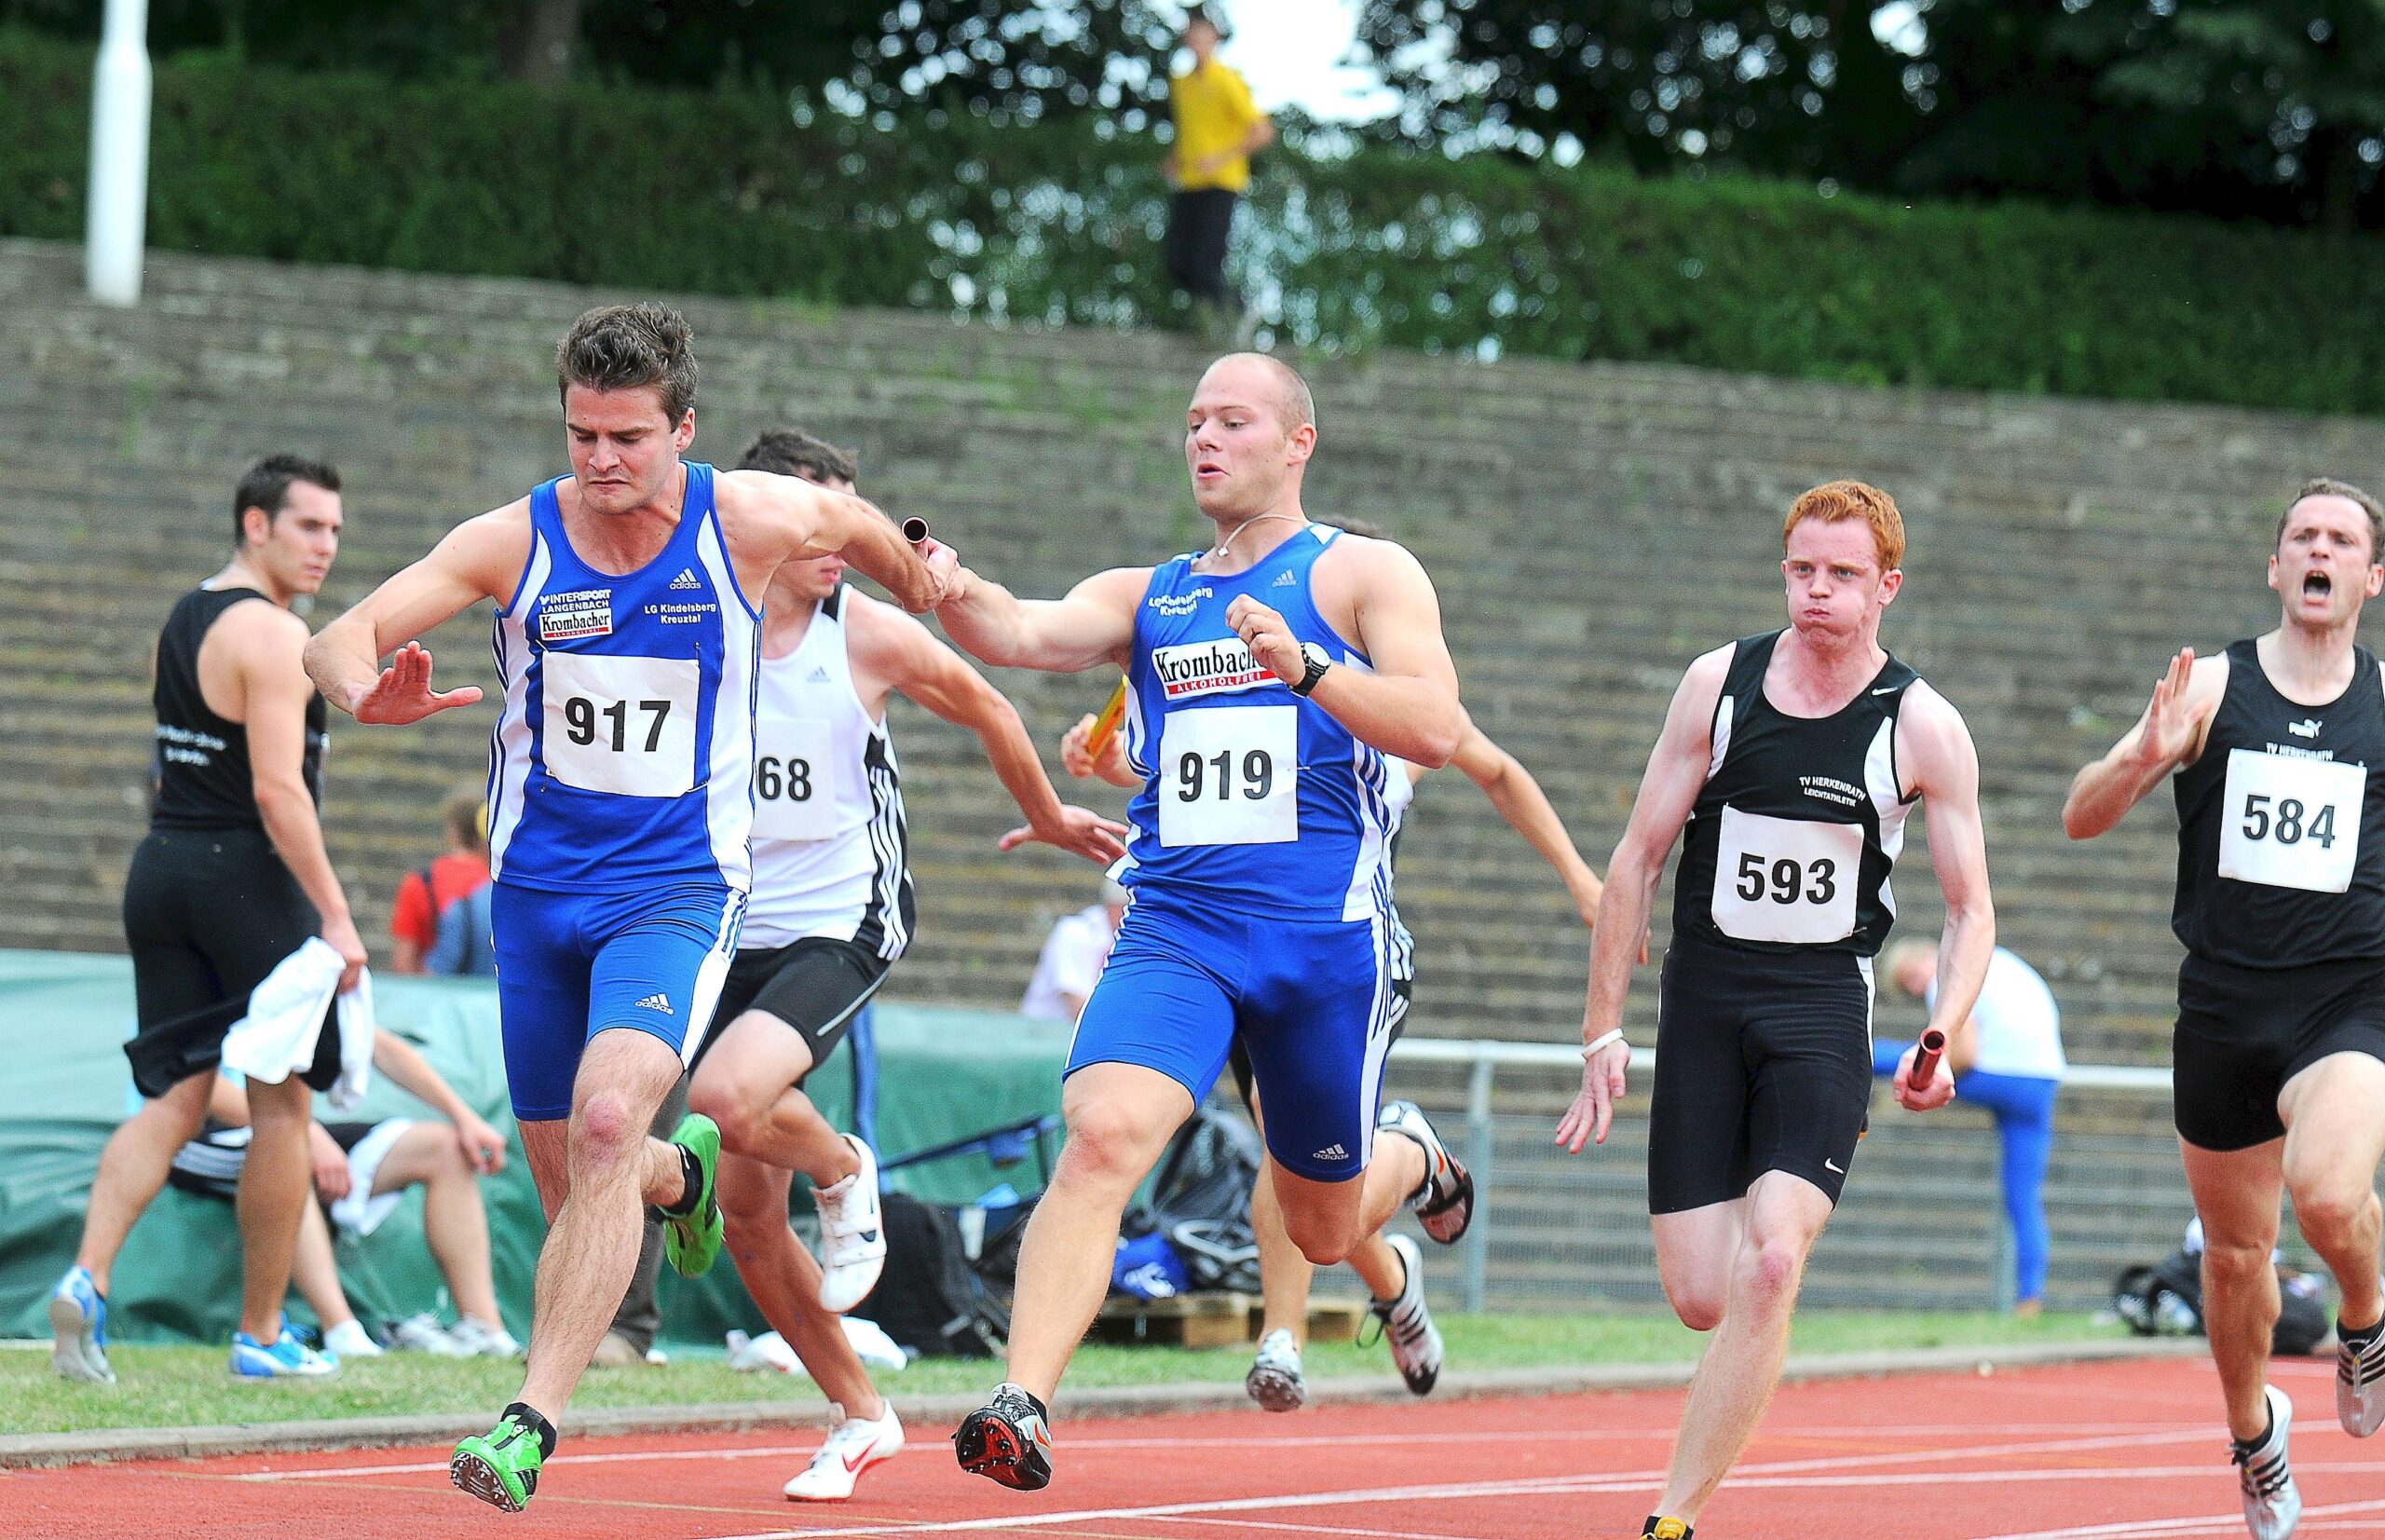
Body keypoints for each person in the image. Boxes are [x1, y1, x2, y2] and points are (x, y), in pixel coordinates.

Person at [300, 303, 954, 1512]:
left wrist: (924, 577)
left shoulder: (744, 519)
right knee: (577, 1182)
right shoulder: (514, 540)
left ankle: (527, 1421)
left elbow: (857, 525)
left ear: (682, 430)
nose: (601, 462)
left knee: (605, 1124)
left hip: (677, 889)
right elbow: (340, 634)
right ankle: (682, 1180)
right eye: (581, 434)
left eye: (628, 439)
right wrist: (358, 692)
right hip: (538, 902)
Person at [934, 352, 1474, 1492]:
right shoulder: (1153, 594)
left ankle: (1412, 1154)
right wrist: (940, 576)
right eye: (1192, 422)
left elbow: (1433, 725)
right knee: (1101, 1136)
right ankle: (1021, 1403)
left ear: (1298, 442)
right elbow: (1021, 630)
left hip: (1323, 947)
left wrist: (1314, 670)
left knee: (1320, 1230)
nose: (1205, 440)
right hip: (1178, 927)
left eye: (1233, 420)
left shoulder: (1363, 575)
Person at [672, 425, 1123, 1501]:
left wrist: (1050, 813)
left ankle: (842, 1166)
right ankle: (862, 1415)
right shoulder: (703, 625)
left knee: (727, 1096)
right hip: (727, 921)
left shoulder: (862, 633)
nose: (839, 536)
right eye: (817, 514)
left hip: (846, 918)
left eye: (850, 511)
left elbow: (988, 703)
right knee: (742, 1213)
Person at [1560, 480, 1992, 1540]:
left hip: (1817, 1007)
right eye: (1802, 569)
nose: (1817, 591)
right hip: (1703, 999)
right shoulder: (1719, 684)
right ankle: (1735, 1360)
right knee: (1703, 1295)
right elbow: (1635, 859)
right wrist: (1601, 1029)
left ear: (1886, 585)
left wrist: (1941, 1029)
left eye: (1842, 574)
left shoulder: (1921, 725)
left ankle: (1673, 1517)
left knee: (1768, 1261)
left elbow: (1971, 909)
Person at [1059, 618, 1607, 1410]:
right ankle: (1393, 1281)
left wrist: (1581, 878)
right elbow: (1202, 791)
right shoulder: (1234, 694)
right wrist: (1113, 763)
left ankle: (1287, 1329)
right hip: (1221, 954)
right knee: (1315, 1193)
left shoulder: (1386, 715)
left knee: (1294, 1170)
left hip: (1334, 964)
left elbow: (1497, 770)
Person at [2063, 478, 2385, 1540]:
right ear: (2275, 564)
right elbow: (2080, 816)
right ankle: (2253, 1436)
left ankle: (2366, 1320)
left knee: (2329, 1193)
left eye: (2340, 540)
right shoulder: (2205, 684)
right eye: (2302, 536)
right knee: (2234, 1259)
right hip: (2222, 1006)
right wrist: (2142, 757)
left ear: (2369, 578)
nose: (2318, 552)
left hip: (2347, 995)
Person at [51, 455, 363, 1384]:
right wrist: (338, 917)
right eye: (309, 527)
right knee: (282, 1104)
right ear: (255, 525)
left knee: (178, 1097)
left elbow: (171, 766)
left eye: (336, 531)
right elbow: (277, 791)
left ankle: (87, 1276)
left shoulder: (182, 618)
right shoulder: (272, 636)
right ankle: (262, 1334)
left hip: (162, 870)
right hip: (243, 875)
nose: (326, 547)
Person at [165, 1027, 515, 1360]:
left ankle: (486, 1332)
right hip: (199, 1133)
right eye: (353, 957)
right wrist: (304, 1133)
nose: (359, 959)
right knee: (286, 1157)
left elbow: (379, 1044)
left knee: (445, 1148)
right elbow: (191, 1079)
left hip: (288, 1121)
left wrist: (465, 1118)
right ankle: (343, 1332)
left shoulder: (316, 970)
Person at [1877, 936, 2065, 1315]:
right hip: (2042, 1079)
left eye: (1911, 976)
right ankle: (2031, 1299)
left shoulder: (1947, 974)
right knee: (2023, 1195)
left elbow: (1962, 1055)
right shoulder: (1996, 958)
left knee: (1883, 1055)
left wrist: (1913, 1081)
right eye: (1909, 986)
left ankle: (1843, 1051)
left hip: (2003, 1076)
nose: (1917, 987)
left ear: (1924, 956)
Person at [1161, 7, 1273, 338]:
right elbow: (1190, 132)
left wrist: (1220, 158)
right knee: (1177, 262)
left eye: (1203, 30)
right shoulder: (1180, 84)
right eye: (1192, 30)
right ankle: (1216, 321)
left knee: (1205, 265)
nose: (1195, 37)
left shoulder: (1226, 80)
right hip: (1188, 184)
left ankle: (1238, 313)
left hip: (1222, 184)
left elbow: (1262, 131)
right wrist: (1174, 157)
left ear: (1216, 37)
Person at [389, 789, 494, 975]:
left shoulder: (419, 883)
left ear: (452, 831)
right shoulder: (499, 886)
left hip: (437, 997)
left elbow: (403, 968)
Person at [1018, 879, 1127, 1024]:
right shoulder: (1075, 932)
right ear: (1114, 907)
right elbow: (1078, 1006)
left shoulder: (1131, 940)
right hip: (1044, 1030)